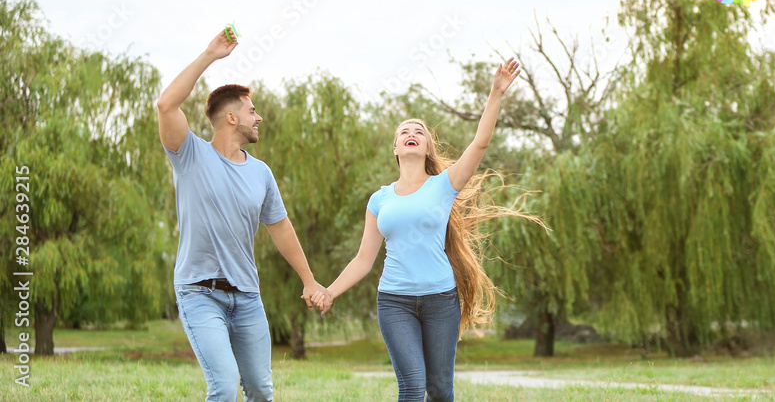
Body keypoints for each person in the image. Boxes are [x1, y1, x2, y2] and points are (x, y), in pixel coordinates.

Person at [312, 57, 529, 402]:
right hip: (394, 301)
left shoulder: (444, 185)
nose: (411, 134)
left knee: (440, 391)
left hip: (441, 300)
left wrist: (496, 93)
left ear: (426, 147)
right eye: (404, 132)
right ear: (396, 148)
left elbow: (480, 143)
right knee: (412, 387)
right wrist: (330, 291)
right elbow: (363, 260)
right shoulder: (379, 199)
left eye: (419, 132)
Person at [157, 26, 327, 402]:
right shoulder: (190, 155)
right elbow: (166, 104)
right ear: (232, 118)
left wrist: (309, 280)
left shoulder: (261, 172)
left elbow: (281, 229)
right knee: (223, 386)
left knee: (261, 391)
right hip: (199, 292)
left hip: (247, 296)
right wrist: (209, 55)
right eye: (252, 111)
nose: (259, 117)